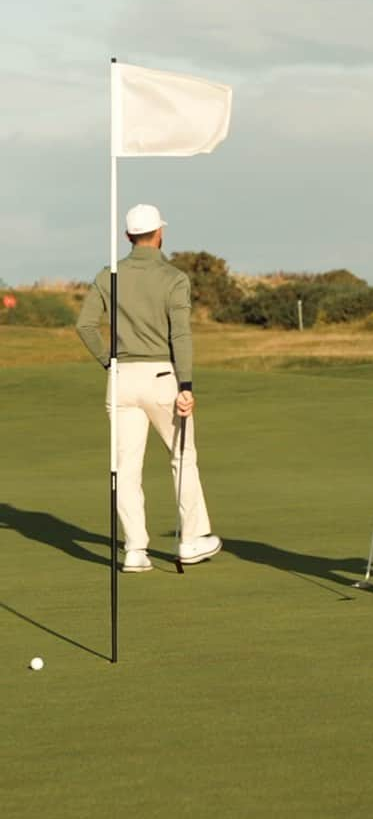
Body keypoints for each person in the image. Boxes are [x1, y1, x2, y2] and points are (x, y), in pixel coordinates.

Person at [76, 203, 221, 572]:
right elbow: (181, 335)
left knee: (126, 467)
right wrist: (185, 383)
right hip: (162, 379)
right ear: (160, 234)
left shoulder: (108, 275)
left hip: (122, 379)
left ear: (128, 237)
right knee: (182, 457)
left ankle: (135, 551)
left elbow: (85, 326)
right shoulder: (174, 278)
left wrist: (109, 361)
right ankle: (191, 540)